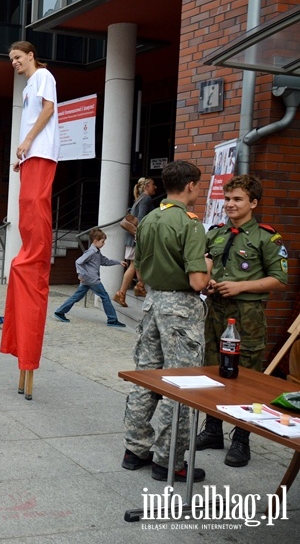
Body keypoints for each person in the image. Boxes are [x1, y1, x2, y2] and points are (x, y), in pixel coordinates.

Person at [122, 160, 212, 482]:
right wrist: (209, 266)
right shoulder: (190, 224)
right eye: (198, 186)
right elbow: (199, 282)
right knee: (181, 385)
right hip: (181, 310)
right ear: (190, 186)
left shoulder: (148, 220)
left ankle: (134, 450)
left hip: (152, 304)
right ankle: (169, 460)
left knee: (145, 379)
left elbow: (141, 271)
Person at [194, 175, 288, 467]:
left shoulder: (266, 237)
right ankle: (212, 430)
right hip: (216, 311)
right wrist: (209, 284)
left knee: (246, 375)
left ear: (253, 203)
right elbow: (206, 266)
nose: (230, 204)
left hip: (247, 315)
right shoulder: (217, 233)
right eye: (228, 198)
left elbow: (279, 279)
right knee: (212, 368)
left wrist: (240, 286)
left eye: (238, 199)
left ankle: (241, 439)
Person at [0, 41, 60, 401]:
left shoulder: (44, 76)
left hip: (40, 151)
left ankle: (35, 250)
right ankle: (28, 250)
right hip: (31, 154)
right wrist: (21, 154)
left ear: (31, 55)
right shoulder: (28, 85)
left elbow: (49, 110)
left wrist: (26, 142)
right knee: (26, 204)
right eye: (11, 60)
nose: (14, 64)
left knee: (36, 202)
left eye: (17, 58)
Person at [53, 228, 128, 327]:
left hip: (87, 280)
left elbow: (105, 261)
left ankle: (59, 312)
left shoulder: (96, 251)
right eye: (102, 241)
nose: (104, 243)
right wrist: (81, 274)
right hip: (92, 279)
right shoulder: (91, 252)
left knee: (77, 296)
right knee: (105, 296)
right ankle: (112, 319)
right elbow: (78, 262)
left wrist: (118, 262)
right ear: (95, 240)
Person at [114, 177, 157, 306]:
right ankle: (123, 292)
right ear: (146, 186)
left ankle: (137, 287)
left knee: (136, 264)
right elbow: (142, 219)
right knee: (135, 265)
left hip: (132, 237)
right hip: (136, 238)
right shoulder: (146, 199)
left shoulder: (138, 200)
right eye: (153, 184)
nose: (156, 187)